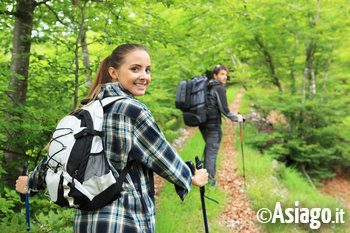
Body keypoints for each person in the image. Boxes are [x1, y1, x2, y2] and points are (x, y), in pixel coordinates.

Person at [16, 43, 208, 233]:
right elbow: (165, 159)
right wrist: (191, 176)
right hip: (125, 220)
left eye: (148, 70)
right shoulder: (133, 111)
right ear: (113, 72)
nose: (144, 76)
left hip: (87, 223)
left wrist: (31, 182)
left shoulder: (87, 109)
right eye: (135, 69)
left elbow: (58, 156)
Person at [199, 64, 243, 186]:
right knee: (211, 154)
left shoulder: (207, 86)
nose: (225, 77)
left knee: (208, 150)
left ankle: (203, 177)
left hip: (203, 124)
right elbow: (225, 110)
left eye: (226, 74)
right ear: (215, 75)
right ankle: (210, 183)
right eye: (222, 74)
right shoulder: (218, 88)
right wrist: (237, 118)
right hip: (213, 126)